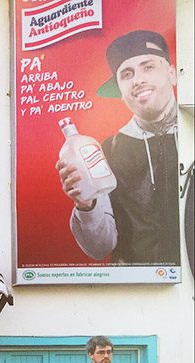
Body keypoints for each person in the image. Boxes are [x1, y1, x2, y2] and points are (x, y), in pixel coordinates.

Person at [56, 30, 180, 264]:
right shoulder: (107, 151)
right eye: (126, 74)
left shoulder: (190, 134)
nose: (138, 80)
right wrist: (86, 203)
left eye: (148, 67)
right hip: (133, 286)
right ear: (121, 91)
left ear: (172, 74)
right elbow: (100, 248)